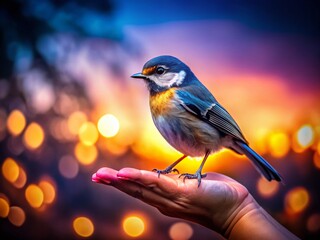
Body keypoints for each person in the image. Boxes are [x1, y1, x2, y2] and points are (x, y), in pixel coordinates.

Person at [92, 167, 299, 239]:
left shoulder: (178, 94)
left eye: (159, 72)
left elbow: (205, 137)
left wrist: (237, 214)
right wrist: (238, 213)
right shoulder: (159, 99)